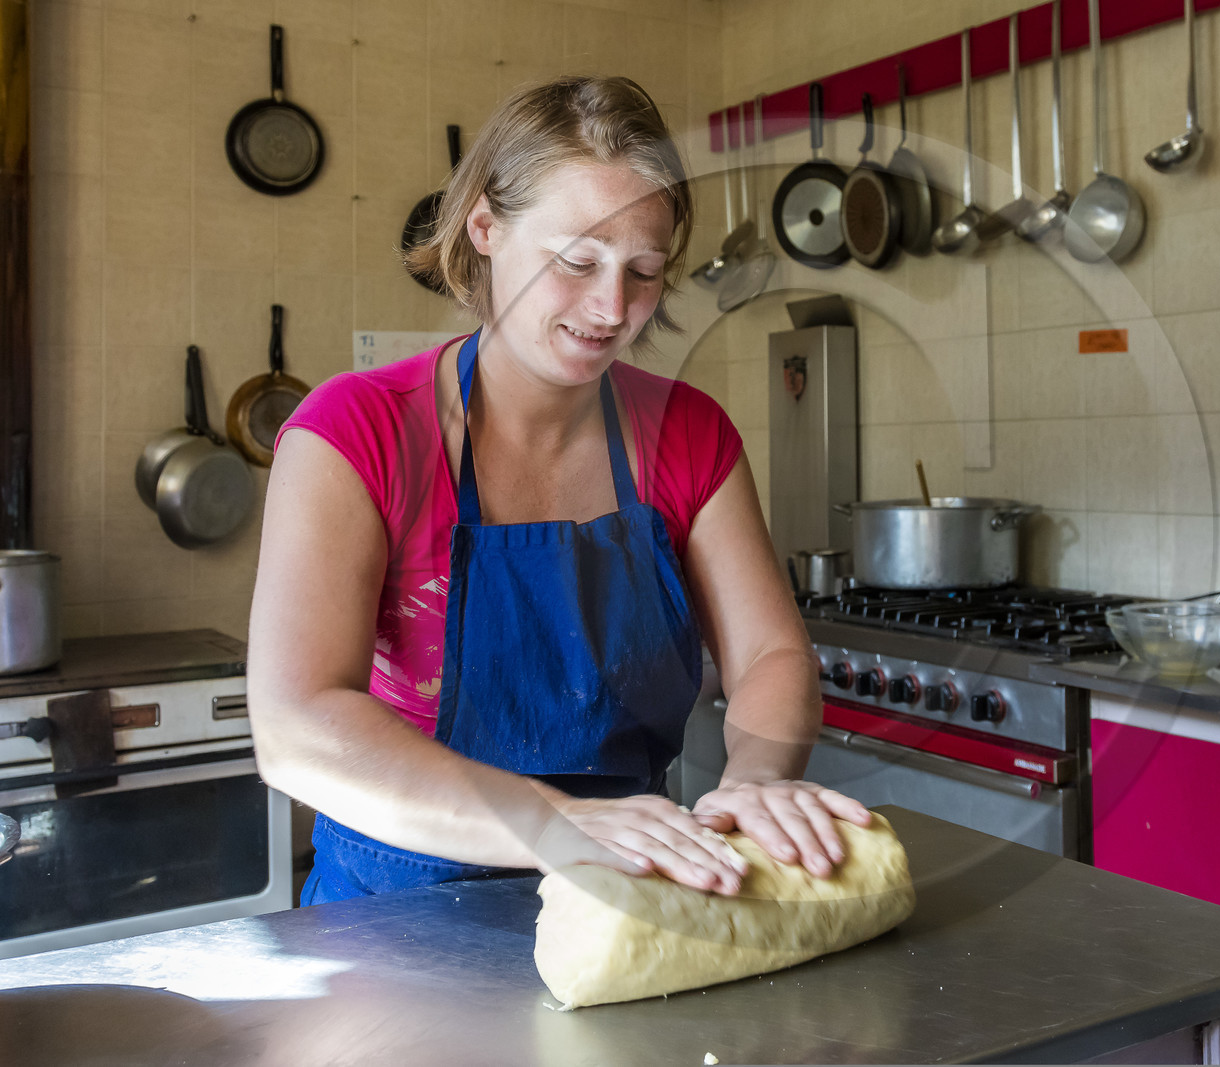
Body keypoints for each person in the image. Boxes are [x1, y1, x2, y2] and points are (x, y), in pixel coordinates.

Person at [248, 76, 868, 906]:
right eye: (576, 262)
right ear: (486, 229)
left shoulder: (690, 435)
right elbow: (296, 725)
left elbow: (769, 655)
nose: (611, 308)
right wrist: (552, 822)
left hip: (633, 893)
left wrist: (754, 779)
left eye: (643, 272)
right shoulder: (359, 432)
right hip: (394, 920)